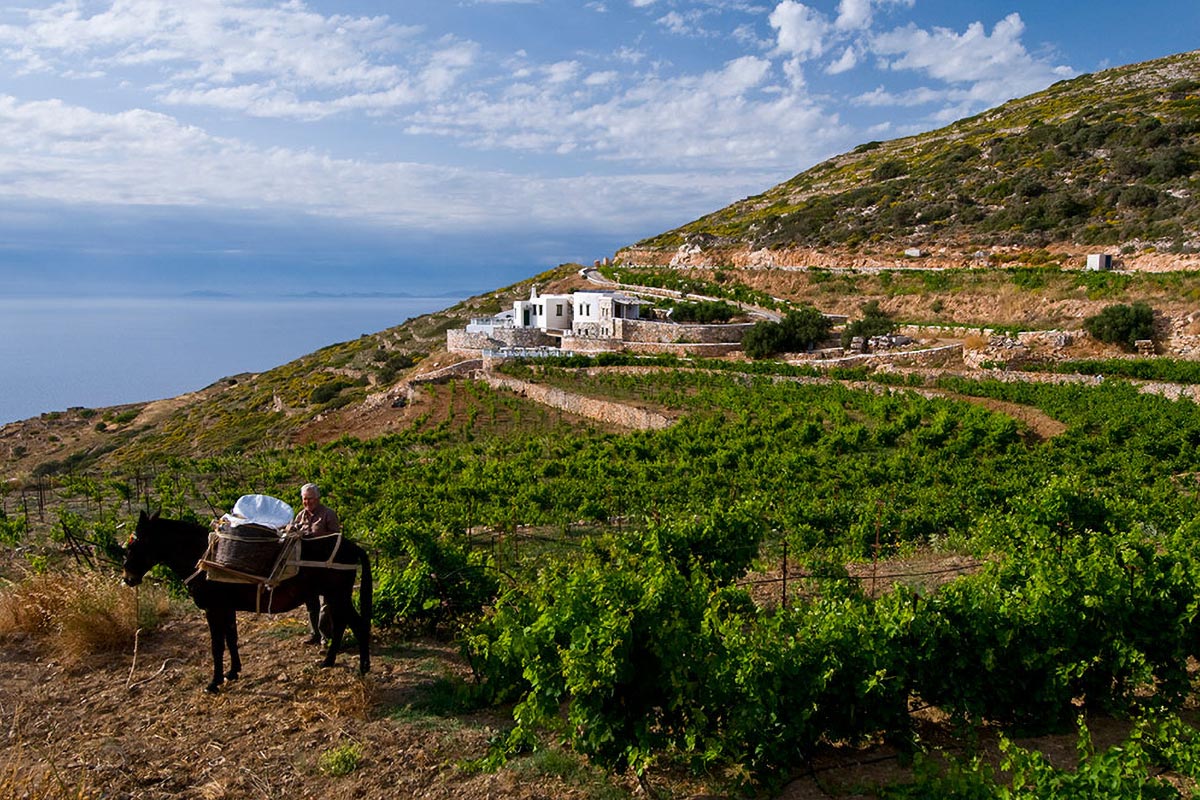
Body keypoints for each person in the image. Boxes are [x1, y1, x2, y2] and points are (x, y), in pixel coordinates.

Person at [287, 482, 340, 645]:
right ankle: (315, 634)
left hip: (325, 565)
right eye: (304, 499)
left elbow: (335, 537)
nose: (307, 502)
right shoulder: (301, 515)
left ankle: (326, 636)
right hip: (307, 566)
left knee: (326, 603)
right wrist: (290, 530)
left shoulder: (328, 514)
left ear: (317, 498)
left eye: (310, 499)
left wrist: (313, 538)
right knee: (310, 601)